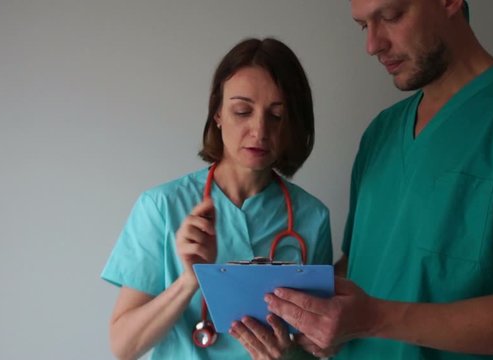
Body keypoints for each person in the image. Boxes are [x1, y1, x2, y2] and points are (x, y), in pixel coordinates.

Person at [265, 1, 493, 359]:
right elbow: (363, 262)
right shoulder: (381, 134)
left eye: (390, 17)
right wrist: (296, 309)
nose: (373, 45)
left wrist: (373, 318)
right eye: (363, 26)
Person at [101, 37, 332, 360]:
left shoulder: (313, 217)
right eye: (242, 111)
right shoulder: (161, 207)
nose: (259, 130)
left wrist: (290, 355)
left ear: (293, 124)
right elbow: (124, 346)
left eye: (276, 116)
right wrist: (188, 282)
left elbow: (320, 343)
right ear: (218, 113)